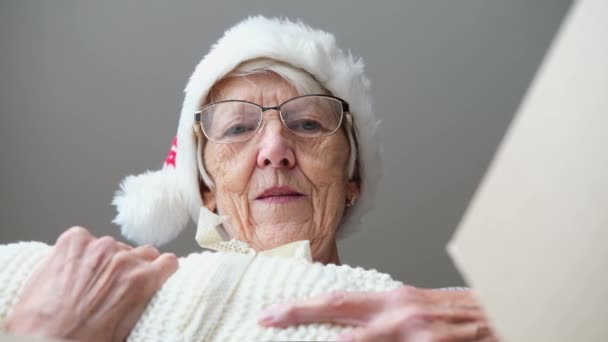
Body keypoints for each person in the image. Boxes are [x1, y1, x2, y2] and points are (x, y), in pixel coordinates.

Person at [2, 16, 498, 341]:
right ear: (203, 189)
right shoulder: (79, 282)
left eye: (307, 124)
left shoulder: (425, 324)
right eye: (238, 128)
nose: (275, 151)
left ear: (353, 179)